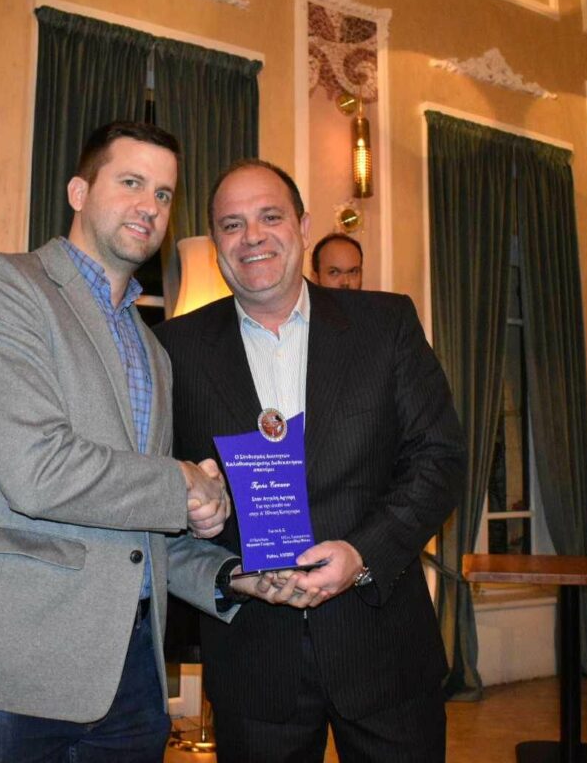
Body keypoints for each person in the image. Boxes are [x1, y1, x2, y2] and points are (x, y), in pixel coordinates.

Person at [0, 122, 244, 763]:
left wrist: (227, 574)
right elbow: (37, 471)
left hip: (133, 676)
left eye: (164, 194)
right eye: (131, 182)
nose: (150, 206)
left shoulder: (153, 349)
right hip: (6, 668)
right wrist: (183, 482)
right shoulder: (1, 286)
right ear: (79, 192)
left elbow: (138, 524)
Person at [154, 159, 465, 763]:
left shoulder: (386, 325)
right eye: (232, 224)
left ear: (301, 226)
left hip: (383, 648)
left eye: (270, 217)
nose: (252, 237)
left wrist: (362, 554)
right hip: (253, 661)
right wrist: (191, 503)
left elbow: (439, 459)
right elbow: (159, 483)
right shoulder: (174, 349)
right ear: (216, 243)